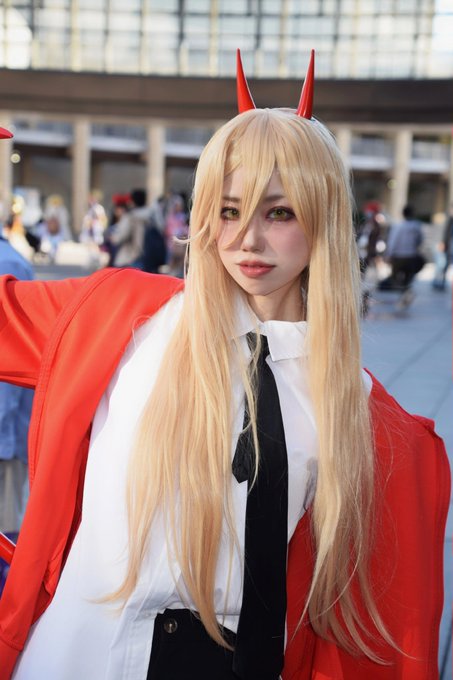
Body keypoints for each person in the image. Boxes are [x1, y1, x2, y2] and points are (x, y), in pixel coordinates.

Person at [0, 51, 449, 680]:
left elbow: (379, 632)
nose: (246, 240)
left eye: (279, 212)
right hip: (74, 657)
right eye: (229, 210)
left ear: (323, 218)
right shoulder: (117, 317)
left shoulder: (362, 415)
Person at [0, 230, 34, 596]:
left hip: (4, 439)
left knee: (6, 536)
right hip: (7, 433)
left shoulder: (8, 264)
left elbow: (11, 358)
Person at [380, 204, 425, 308]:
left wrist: (388, 254)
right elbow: (420, 240)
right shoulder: (417, 226)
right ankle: (405, 293)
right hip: (411, 256)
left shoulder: (398, 226)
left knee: (395, 278)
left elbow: (392, 241)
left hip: (399, 257)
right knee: (408, 278)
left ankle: (404, 293)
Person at [109, 188, 149, 268]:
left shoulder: (130, 217)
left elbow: (119, 238)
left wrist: (112, 237)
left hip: (129, 258)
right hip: (147, 258)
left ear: (132, 201)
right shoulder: (150, 216)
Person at [432, 201, 453, 291]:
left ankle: (441, 282)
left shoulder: (450, 219)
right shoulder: (447, 219)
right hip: (444, 245)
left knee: (444, 265)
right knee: (441, 265)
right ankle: (437, 282)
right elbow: (444, 233)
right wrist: (442, 243)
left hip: (448, 245)